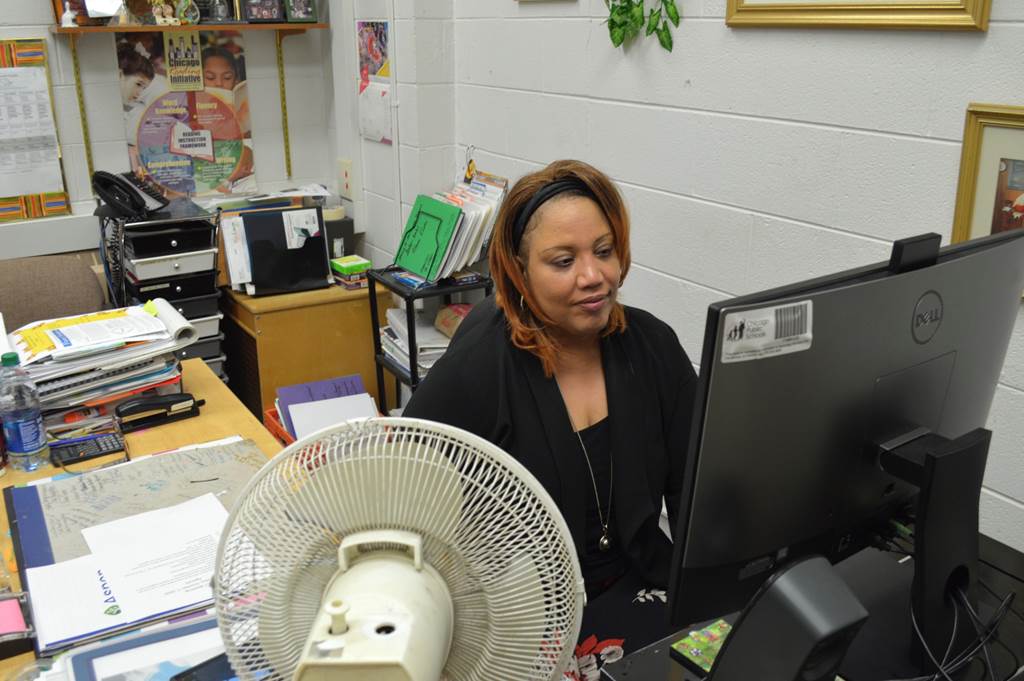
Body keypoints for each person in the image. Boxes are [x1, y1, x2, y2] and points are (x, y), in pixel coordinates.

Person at [402, 160, 698, 675]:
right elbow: (404, 487)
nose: (593, 277)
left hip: (642, 581)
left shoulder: (653, 347)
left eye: (604, 252)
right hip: (526, 615)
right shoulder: (479, 368)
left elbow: (699, 490)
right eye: (563, 261)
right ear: (518, 271)